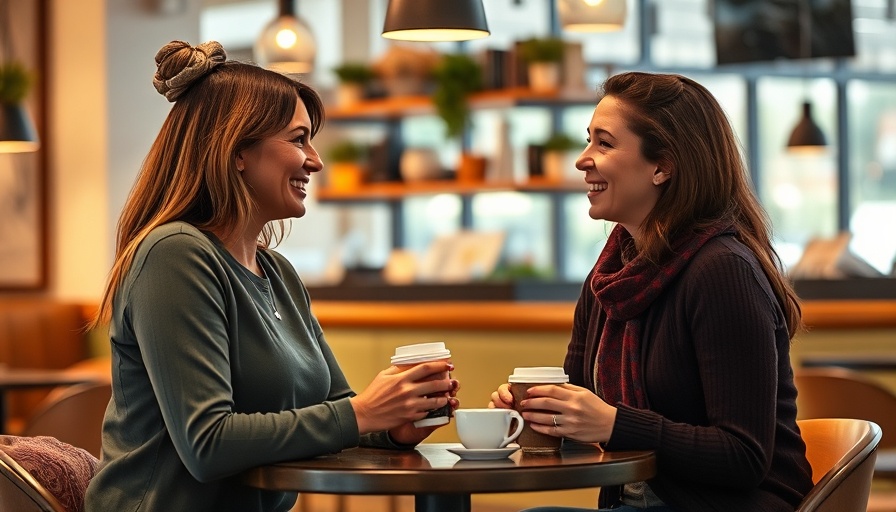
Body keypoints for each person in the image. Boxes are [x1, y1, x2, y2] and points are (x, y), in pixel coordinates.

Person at [84, 40, 458, 512]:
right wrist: (363, 413)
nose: (316, 160)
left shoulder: (277, 272)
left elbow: (335, 403)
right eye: (298, 139)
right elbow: (209, 443)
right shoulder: (173, 256)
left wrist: (394, 425)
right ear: (237, 151)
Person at [490, 72, 813, 512]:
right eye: (588, 141)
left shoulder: (723, 272)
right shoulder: (609, 277)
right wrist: (539, 412)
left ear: (662, 165)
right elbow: (583, 414)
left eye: (604, 143)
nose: (583, 159)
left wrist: (615, 423)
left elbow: (744, 456)